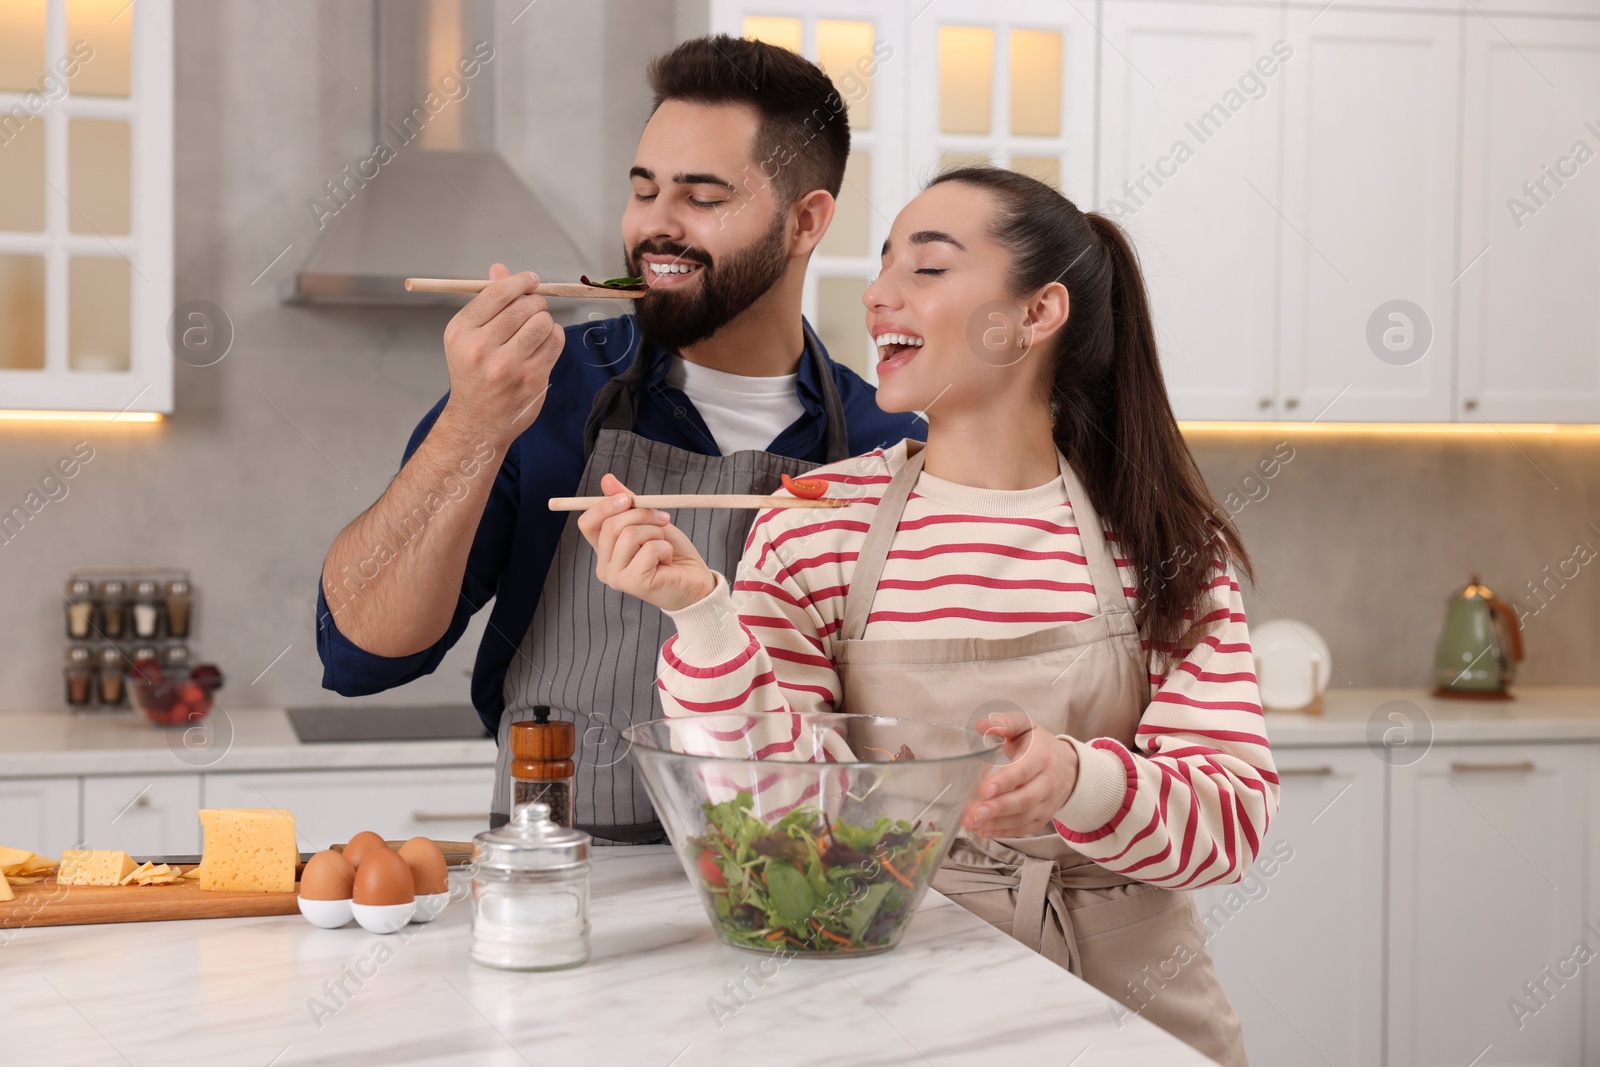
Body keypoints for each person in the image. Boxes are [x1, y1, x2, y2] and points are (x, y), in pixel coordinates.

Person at [579, 167, 1278, 1066]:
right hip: (898, 983)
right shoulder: (817, 517)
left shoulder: (1162, 536)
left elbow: (1232, 820)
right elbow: (780, 816)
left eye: (929, 268)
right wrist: (704, 619)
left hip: (1140, 1008)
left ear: (1036, 314)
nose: (878, 295)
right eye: (881, 266)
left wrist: (1074, 779)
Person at [314, 36, 923, 841]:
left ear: (805, 220)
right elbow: (361, 655)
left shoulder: (889, 444)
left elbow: (902, 732)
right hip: (559, 883)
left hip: (793, 893)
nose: (655, 227)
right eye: (643, 191)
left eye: (702, 198)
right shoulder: (543, 387)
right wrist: (470, 427)